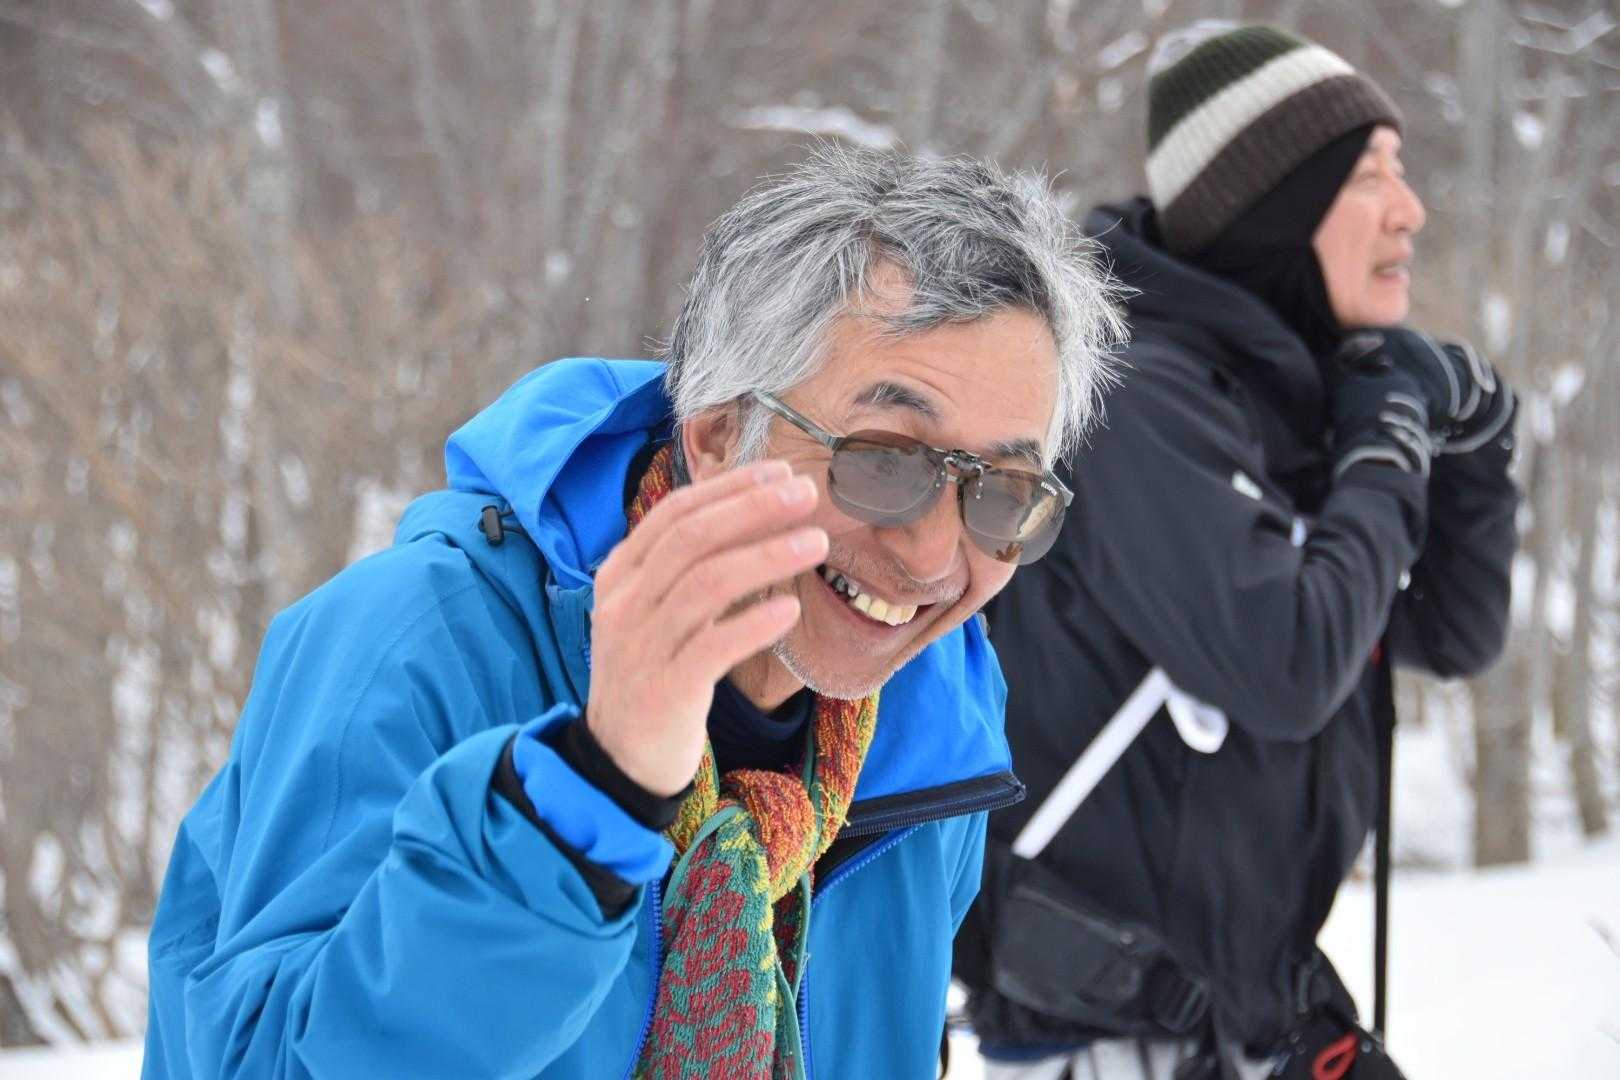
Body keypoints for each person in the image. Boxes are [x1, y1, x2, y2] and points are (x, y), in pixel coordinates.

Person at [142, 146, 1123, 1079]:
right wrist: (590, 800)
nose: (932, 556)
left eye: (1002, 489)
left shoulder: (934, 722)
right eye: (884, 461)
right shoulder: (412, 646)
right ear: (717, 435)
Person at [956, 23, 1519, 1080]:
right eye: (1370, 175)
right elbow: (1288, 664)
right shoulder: (1134, 399)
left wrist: (1478, 450)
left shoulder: (1281, 402)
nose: (1410, 209)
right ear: (1277, 205)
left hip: (1246, 1026)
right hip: (1112, 1040)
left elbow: (1452, 630)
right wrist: (1387, 445)